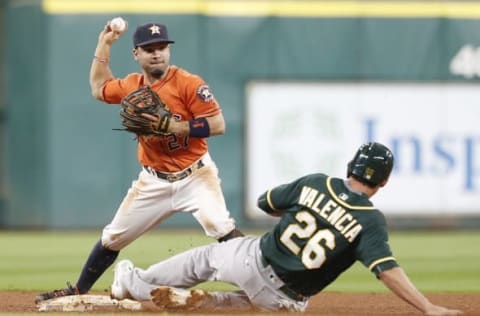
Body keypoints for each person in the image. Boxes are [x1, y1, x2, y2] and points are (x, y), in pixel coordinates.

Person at [108, 142, 462, 315]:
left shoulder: (317, 183)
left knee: (205, 259)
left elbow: (266, 202)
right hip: (285, 300)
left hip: (253, 260)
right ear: (383, 183)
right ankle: (206, 302)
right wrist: (427, 307)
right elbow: (386, 270)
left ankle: (136, 283)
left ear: (350, 166)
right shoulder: (370, 221)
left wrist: (306, 209)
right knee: (247, 304)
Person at [35, 19, 243, 303]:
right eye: (149, 49)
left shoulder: (189, 83)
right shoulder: (132, 86)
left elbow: (218, 124)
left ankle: (257, 283)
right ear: (137, 54)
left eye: (161, 47)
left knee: (221, 226)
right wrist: (104, 43)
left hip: (196, 175)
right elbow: (99, 87)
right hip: (153, 180)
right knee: (112, 238)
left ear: (168, 51)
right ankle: (79, 290)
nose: (157, 53)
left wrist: (176, 127)